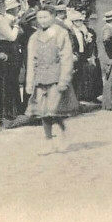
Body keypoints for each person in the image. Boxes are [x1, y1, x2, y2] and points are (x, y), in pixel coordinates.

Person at [25, 8, 78, 153]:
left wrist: (64, 79)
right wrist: (29, 81)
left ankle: (65, 133)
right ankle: (48, 142)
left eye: (45, 17)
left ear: (53, 17)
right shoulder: (34, 37)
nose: (42, 20)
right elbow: (31, 60)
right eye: (39, 17)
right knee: (43, 112)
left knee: (54, 110)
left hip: (56, 76)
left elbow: (66, 57)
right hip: (41, 77)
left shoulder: (61, 33)